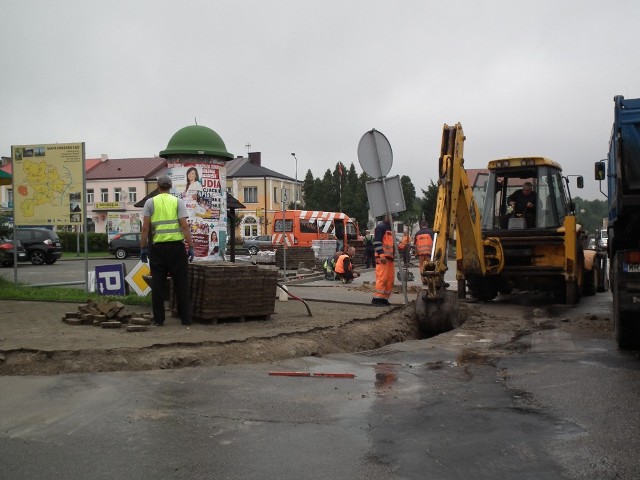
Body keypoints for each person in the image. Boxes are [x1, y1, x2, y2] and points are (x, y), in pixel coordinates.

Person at [140, 175, 195, 326]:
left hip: (157, 249)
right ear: (171, 187)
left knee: (157, 285)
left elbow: (145, 228)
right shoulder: (178, 202)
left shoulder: (150, 202)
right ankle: (186, 319)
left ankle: (159, 320)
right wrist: (190, 246)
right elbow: (184, 226)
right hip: (177, 248)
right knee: (181, 284)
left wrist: (143, 248)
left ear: (158, 187)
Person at [371, 214, 395, 306]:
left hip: (389, 258)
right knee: (382, 278)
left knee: (389, 279)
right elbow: (377, 242)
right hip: (382, 257)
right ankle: (377, 299)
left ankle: (384, 298)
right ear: (387, 216)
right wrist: (381, 254)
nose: (393, 219)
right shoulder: (381, 227)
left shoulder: (390, 228)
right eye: (392, 217)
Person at [414, 220, 434, 284]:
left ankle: (423, 280)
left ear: (420, 226)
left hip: (420, 254)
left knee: (421, 266)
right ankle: (429, 279)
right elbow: (434, 242)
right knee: (428, 265)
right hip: (428, 253)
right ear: (427, 225)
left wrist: (416, 253)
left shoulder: (417, 233)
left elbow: (415, 244)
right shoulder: (430, 232)